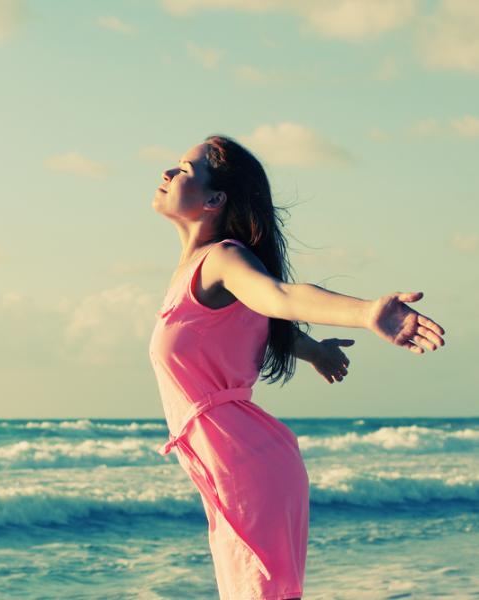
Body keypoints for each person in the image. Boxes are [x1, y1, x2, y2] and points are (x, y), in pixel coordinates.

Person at [148, 134, 446, 600]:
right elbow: (257, 322)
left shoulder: (223, 259)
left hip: (246, 467)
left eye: (185, 169)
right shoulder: (193, 273)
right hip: (229, 467)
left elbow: (279, 297)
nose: (168, 173)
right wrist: (312, 351)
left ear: (215, 199)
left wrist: (366, 312)